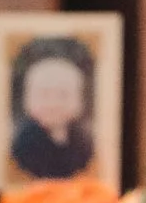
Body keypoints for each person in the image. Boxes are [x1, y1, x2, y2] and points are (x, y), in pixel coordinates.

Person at [7, 37, 97, 181]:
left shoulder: (82, 141)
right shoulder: (25, 142)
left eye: (63, 95)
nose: (54, 104)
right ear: (28, 99)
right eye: (45, 95)